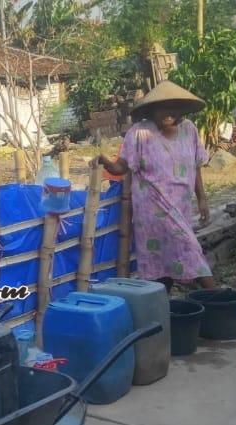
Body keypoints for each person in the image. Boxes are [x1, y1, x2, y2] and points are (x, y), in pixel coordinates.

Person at [91, 80, 217, 293]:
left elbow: (196, 167)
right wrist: (106, 161)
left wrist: (202, 198)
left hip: (181, 208)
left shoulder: (189, 130)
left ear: (181, 109)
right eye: (162, 107)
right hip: (152, 210)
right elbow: (122, 166)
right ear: (151, 110)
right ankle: (218, 299)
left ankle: (164, 310)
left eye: (173, 107)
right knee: (186, 254)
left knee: (172, 260)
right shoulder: (140, 132)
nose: (168, 113)